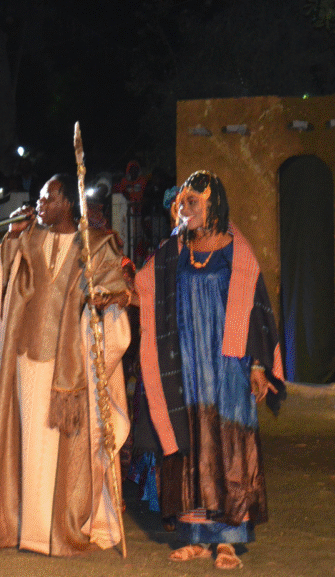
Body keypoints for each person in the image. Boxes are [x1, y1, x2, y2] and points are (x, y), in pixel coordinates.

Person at [0, 174, 132, 555]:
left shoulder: (95, 245)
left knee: (61, 452)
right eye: (40, 198)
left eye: (49, 199)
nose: (41, 204)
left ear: (68, 203)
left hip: (70, 371)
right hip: (26, 363)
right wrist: (11, 232)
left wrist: (107, 298)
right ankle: (24, 526)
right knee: (27, 446)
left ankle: (57, 528)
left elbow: (118, 291)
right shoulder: (27, 237)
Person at [134, 171, 283, 570]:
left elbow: (257, 312)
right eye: (181, 202)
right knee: (190, 444)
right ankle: (197, 537)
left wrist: (257, 365)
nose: (184, 209)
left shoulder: (238, 253)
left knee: (228, 445)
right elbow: (143, 291)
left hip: (228, 366)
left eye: (192, 202)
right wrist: (114, 292)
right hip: (184, 364)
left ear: (213, 204)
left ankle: (228, 539)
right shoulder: (173, 251)